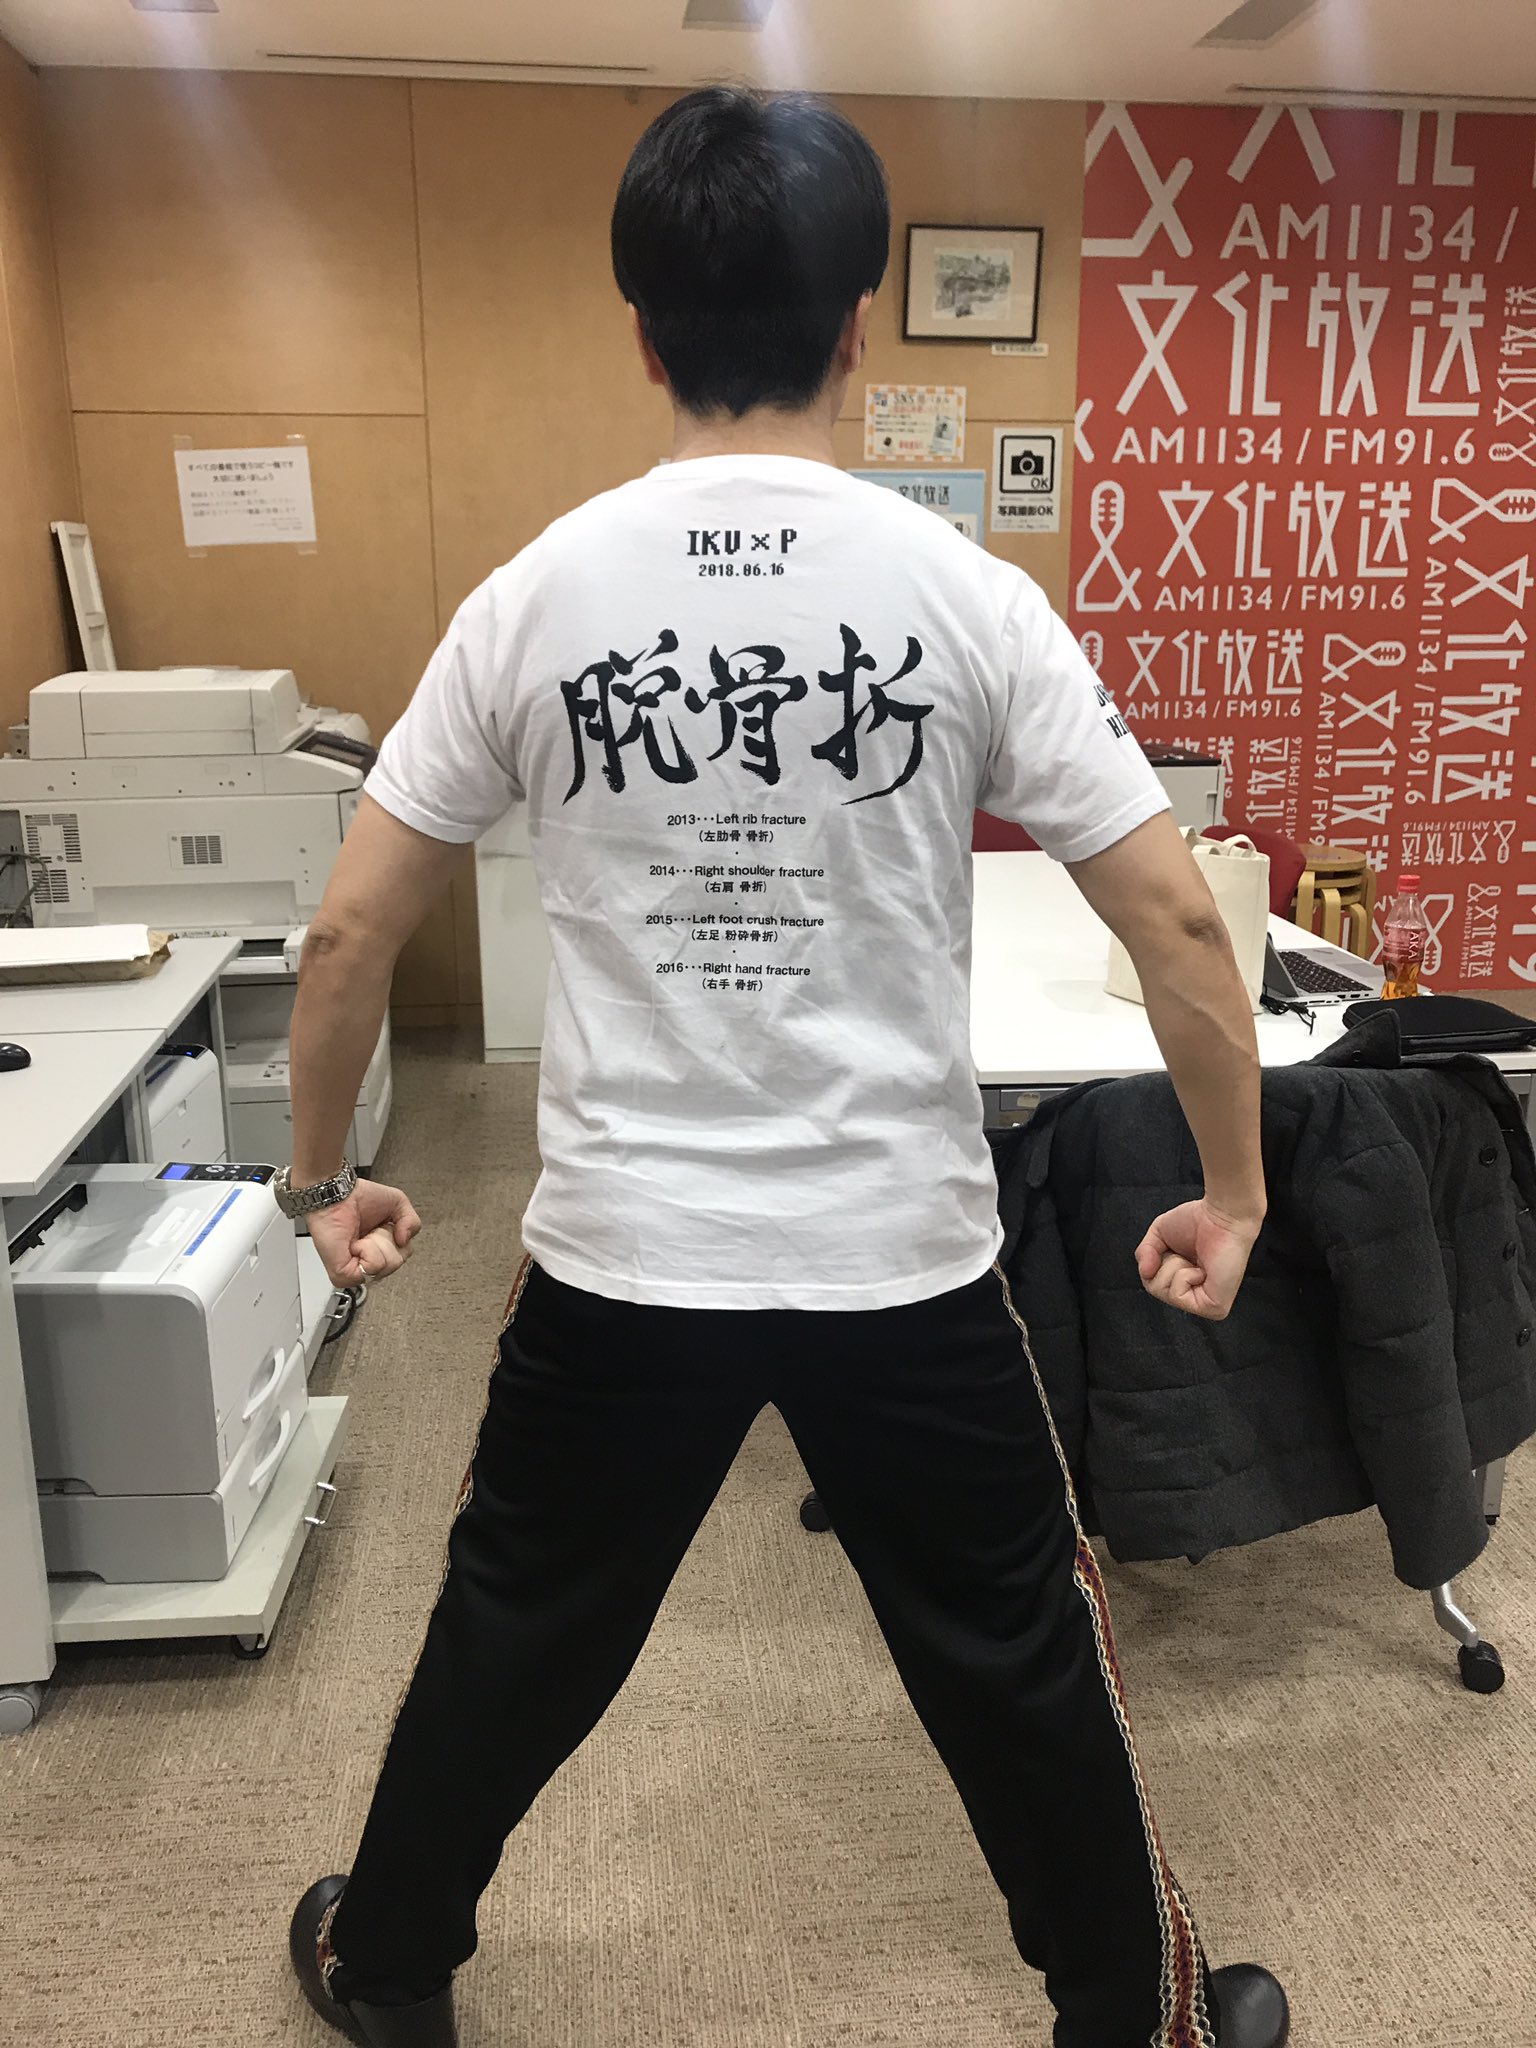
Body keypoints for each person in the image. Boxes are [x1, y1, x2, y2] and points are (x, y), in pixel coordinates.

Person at [284, 87, 1287, 2048]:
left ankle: (387, 1969)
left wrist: (322, 1179)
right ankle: (1138, 2019)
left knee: (518, 1619)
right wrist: (1234, 1187)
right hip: (897, 1259)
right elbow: (1179, 925)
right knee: (1014, 1647)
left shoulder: (534, 596)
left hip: (624, 1263)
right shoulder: (967, 596)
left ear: (641, 333)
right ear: (859, 327)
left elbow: (345, 940)